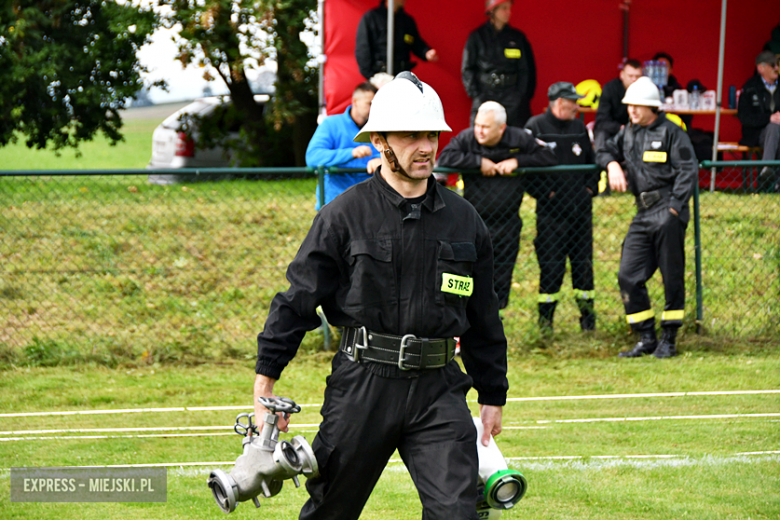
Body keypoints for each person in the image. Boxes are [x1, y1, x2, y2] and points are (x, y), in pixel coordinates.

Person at [254, 72, 508, 520]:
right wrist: (265, 381)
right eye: (412, 136)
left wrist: (493, 393)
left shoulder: (465, 220)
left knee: (459, 512)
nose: (426, 146)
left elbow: (483, 314)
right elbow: (298, 299)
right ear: (380, 141)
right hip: (362, 387)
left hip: (438, 389)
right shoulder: (343, 216)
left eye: (431, 134)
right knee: (331, 509)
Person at [596, 76, 698, 359]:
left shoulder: (672, 132)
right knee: (628, 275)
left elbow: (688, 170)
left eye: (637, 106)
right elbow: (603, 149)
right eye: (629, 106)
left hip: (667, 210)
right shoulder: (627, 132)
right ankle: (646, 337)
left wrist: (674, 209)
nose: (632, 111)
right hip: (642, 213)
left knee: (671, 275)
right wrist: (612, 164)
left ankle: (670, 338)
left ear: (652, 106)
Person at [437, 101, 556, 310]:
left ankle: (495, 319)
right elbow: (446, 158)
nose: (479, 131)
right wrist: (478, 162)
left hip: (508, 222)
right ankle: (464, 319)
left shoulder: (519, 138)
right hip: (473, 222)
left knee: (501, 275)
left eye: (486, 127)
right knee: (467, 273)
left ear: (501, 128)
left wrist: (517, 162)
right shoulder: (467, 138)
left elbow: (547, 156)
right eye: (478, 125)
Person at [525, 82, 598, 333]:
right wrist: (547, 193)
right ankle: (545, 325)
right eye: (573, 102)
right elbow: (527, 170)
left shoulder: (579, 127)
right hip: (551, 216)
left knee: (584, 270)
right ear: (559, 103)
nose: (577, 107)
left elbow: (591, 161)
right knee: (552, 269)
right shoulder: (535, 126)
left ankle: (588, 322)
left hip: (581, 214)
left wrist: (590, 189)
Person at [305, 82, 382, 209]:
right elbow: (313, 157)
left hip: (370, 204)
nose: (373, 109)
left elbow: (393, 153)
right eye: (369, 104)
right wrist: (351, 153)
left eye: (376, 105)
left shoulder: (380, 128)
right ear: (355, 101)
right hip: (334, 205)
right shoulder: (330, 124)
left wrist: (381, 160)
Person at [461, 0, 536, 127]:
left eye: (509, 8)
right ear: (492, 11)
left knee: (516, 138)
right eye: (504, 8)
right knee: (482, 136)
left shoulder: (517, 38)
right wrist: (477, 95)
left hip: (513, 98)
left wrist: (521, 96)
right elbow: (467, 69)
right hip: (485, 95)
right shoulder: (477, 37)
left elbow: (527, 70)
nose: (509, 12)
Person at [355, 0, 439, 80]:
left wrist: (426, 52)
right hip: (379, 76)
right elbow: (362, 49)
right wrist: (372, 77)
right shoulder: (371, 18)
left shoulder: (407, 21)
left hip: (402, 76)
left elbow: (414, 42)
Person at [738, 50, 780, 191]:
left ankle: (767, 174)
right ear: (760, 68)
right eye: (772, 64)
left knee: (776, 130)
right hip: (757, 134)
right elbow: (745, 118)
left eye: (778, 64)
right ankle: (768, 171)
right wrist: (769, 118)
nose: (777, 68)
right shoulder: (750, 88)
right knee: (773, 128)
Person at [593, 59, 643, 152]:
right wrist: (622, 128)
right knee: (602, 134)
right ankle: (603, 160)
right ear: (622, 75)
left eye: (637, 76)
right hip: (613, 131)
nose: (634, 80)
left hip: (638, 133)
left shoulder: (645, 92)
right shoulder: (610, 89)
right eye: (630, 76)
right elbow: (602, 121)